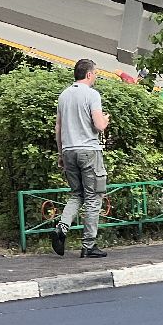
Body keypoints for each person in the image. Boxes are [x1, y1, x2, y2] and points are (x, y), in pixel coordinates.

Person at [53, 58, 111, 258]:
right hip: (88, 152)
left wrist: (61, 154)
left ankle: (61, 227)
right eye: (95, 73)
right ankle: (88, 245)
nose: (96, 76)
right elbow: (99, 126)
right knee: (94, 197)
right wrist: (105, 119)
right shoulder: (92, 94)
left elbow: (58, 128)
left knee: (77, 194)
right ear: (88, 74)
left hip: (68, 151)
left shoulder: (63, 95)